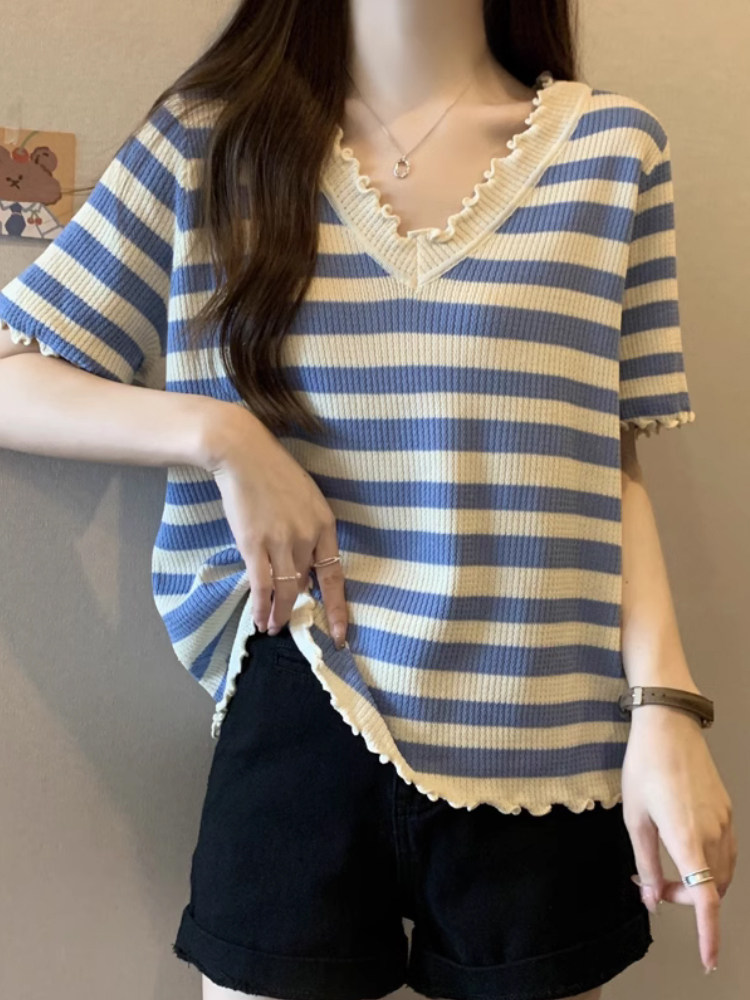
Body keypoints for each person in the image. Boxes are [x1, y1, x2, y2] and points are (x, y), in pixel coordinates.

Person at [0, 1, 737, 998]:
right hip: (303, 694)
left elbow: (603, 456)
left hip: (545, 733)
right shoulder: (212, 142)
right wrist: (221, 437)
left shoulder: (612, 151)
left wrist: (667, 709)